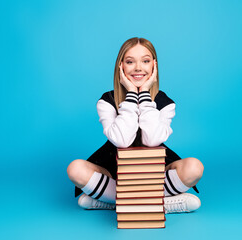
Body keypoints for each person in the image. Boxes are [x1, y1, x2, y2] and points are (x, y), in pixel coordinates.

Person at [67, 37, 204, 213]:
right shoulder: (106, 101)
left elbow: (152, 140)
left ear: (154, 65)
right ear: (121, 66)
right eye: (130, 62)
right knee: (75, 168)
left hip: (155, 172)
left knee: (194, 167)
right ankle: (161, 204)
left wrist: (145, 94)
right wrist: (132, 94)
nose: (138, 68)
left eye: (145, 61)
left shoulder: (166, 103)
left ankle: (112, 203)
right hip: (115, 170)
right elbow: (122, 141)